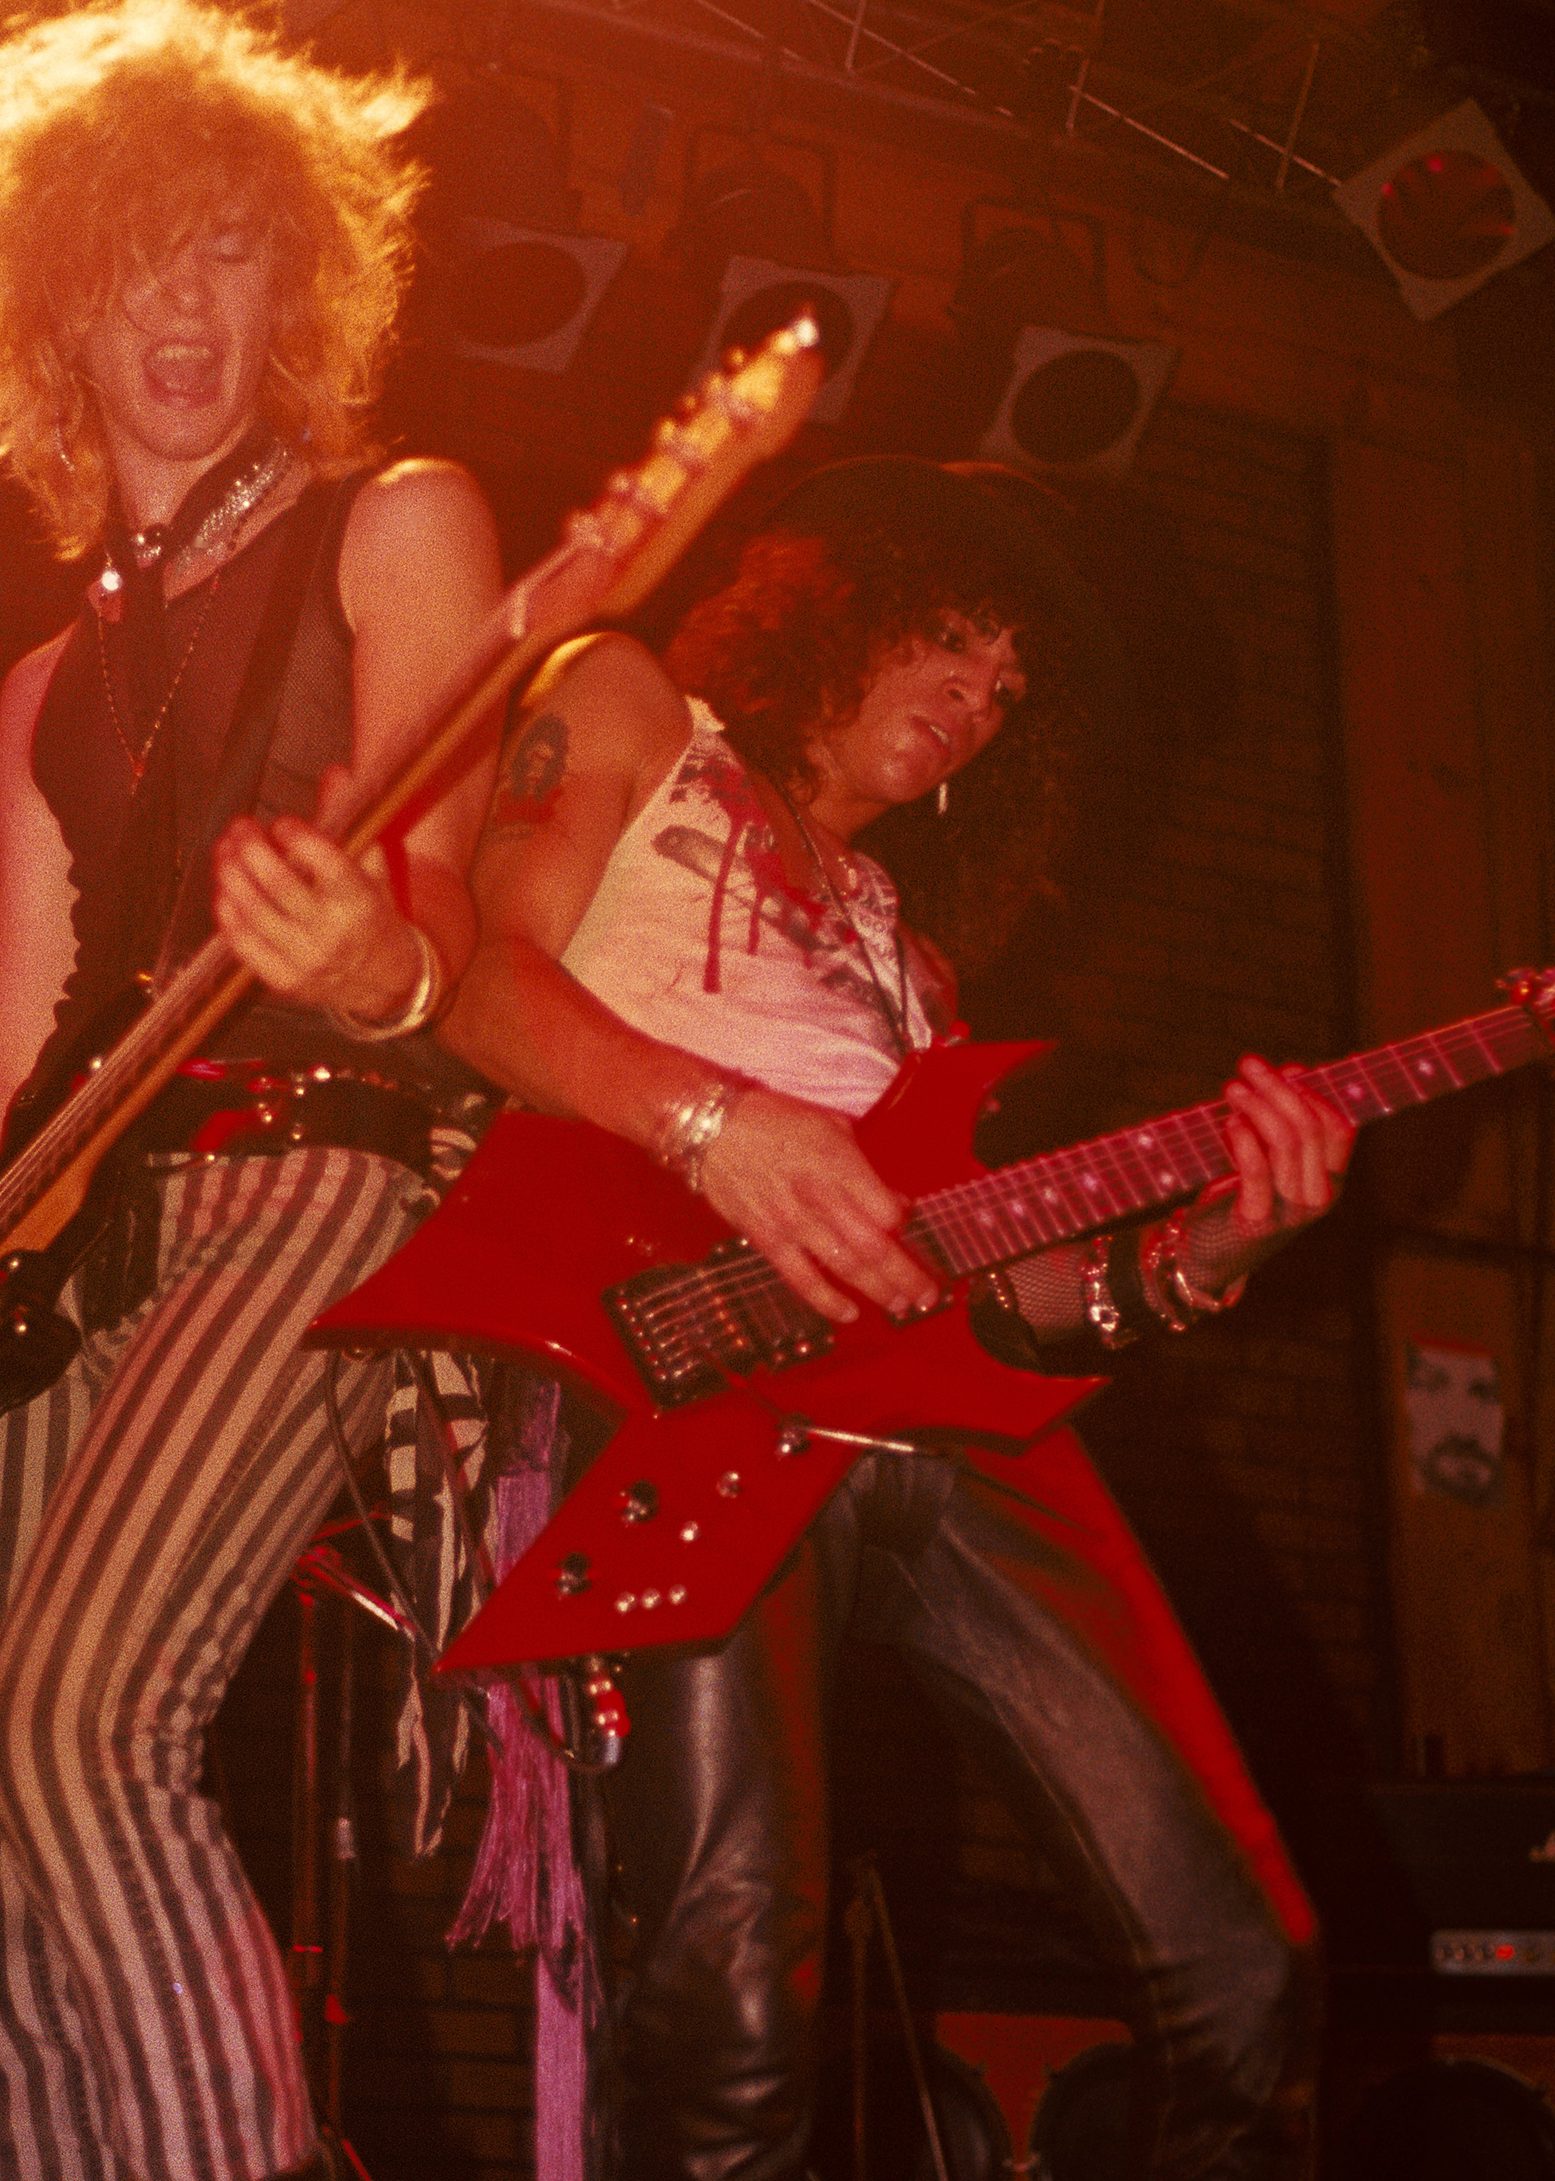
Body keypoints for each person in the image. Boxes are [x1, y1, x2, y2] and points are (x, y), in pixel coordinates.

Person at [441, 454, 1354, 2181]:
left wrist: (1213, 1248)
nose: (973, 706)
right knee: (733, 1985)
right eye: (951, 644)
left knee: (1246, 1955)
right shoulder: (637, 705)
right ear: (838, 602)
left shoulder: (913, 962)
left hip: (937, 1419)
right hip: (682, 1362)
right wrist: (713, 1126)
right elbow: (485, 982)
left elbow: (1002, 1297)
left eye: (1008, 692)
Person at [0, 7, 504, 2179]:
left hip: (316, 1182)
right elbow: (24, 1049)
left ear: (288, 289)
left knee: (77, 1718)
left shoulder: (403, 523)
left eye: (223, 260)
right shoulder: (40, 683)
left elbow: (451, 928)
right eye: (135, 264)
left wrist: (373, 956)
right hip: (75, 1226)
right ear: (57, 308)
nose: (180, 312)